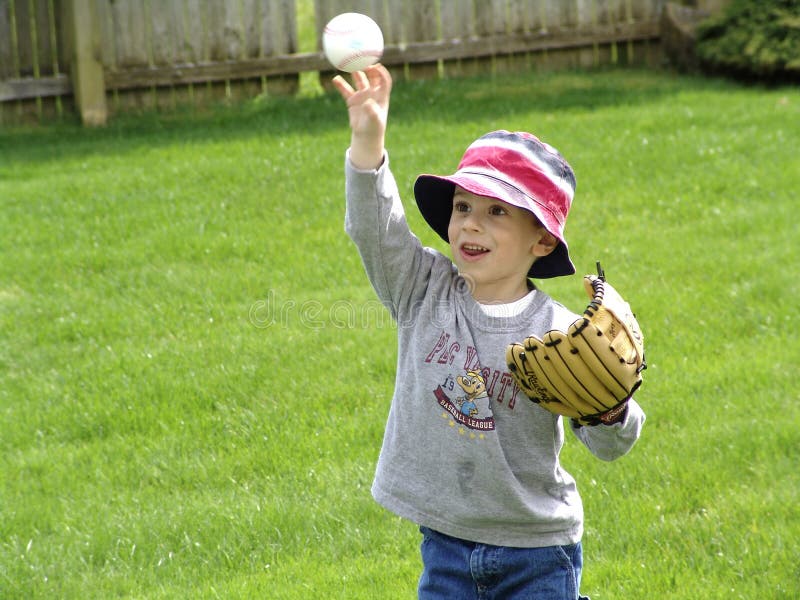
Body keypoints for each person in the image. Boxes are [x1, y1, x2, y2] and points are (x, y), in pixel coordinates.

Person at [332, 64, 645, 600]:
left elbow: (612, 443)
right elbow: (373, 227)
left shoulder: (565, 335)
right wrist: (368, 142)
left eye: (497, 211)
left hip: (539, 549)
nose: (470, 224)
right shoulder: (422, 291)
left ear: (541, 242)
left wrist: (612, 410)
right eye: (462, 207)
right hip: (445, 544)